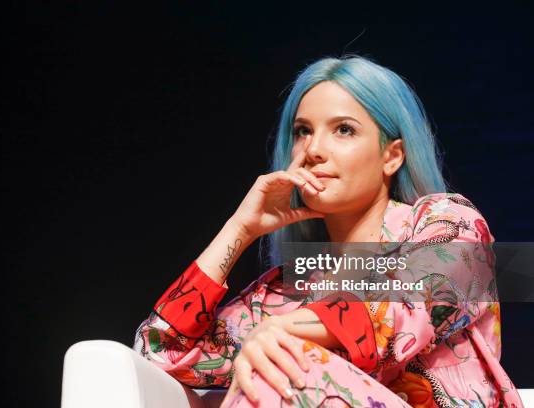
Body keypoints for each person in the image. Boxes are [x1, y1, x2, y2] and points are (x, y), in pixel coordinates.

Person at [132, 55, 524, 407]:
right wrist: (240, 228)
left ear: (392, 156)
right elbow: (158, 353)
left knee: (285, 362)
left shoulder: (447, 221)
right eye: (303, 131)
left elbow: (407, 308)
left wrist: (280, 331)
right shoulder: (287, 292)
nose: (315, 149)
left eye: (343, 130)